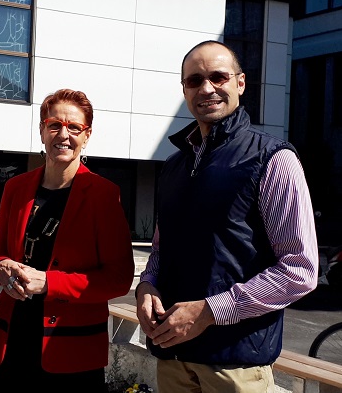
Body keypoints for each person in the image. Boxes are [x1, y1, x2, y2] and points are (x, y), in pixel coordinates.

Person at [136, 40, 319, 393]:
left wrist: (210, 311)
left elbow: (300, 269)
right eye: (194, 80)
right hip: (172, 359)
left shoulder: (272, 158)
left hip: (235, 366)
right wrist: (147, 285)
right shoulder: (174, 166)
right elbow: (161, 249)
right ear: (184, 90)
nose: (207, 88)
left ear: (240, 83)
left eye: (218, 77)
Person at [0, 88, 135, 393]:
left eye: (74, 127)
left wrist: (49, 283)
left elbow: (119, 279)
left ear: (87, 135)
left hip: (71, 351)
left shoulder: (104, 195)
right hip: (11, 340)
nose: (63, 135)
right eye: (54, 125)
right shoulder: (15, 188)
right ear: (42, 130)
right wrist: (2, 267)